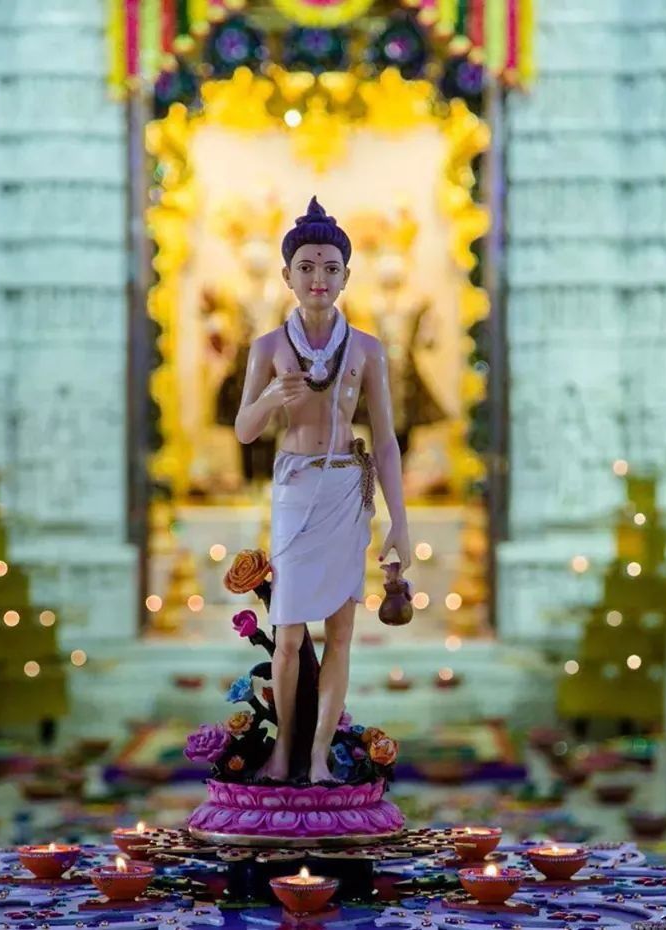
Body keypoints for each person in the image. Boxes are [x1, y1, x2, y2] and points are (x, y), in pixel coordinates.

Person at [235, 196, 411, 783]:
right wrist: (267, 400)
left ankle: (317, 756)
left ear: (345, 276)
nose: (318, 278)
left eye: (330, 268)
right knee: (288, 634)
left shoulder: (366, 350)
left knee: (340, 632)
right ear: (287, 275)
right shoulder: (266, 349)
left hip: (345, 491)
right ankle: (284, 751)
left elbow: (385, 441)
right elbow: (244, 430)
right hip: (294, 490)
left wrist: (399, 521)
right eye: (306, 267)